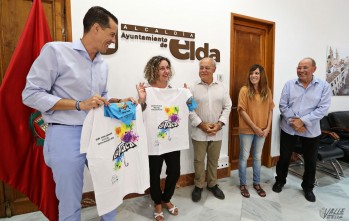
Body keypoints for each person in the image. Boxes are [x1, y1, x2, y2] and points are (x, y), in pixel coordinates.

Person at [22, 6, 135, 220]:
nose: (113, 40)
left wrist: (116, 102)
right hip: (65, 135)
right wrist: (78, 104)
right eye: (112, 34)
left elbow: (99, 100)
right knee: (70, 200)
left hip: (98, 134)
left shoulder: (103, 65)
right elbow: (30, 95)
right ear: (95, 28)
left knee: (110, 186)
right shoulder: (55, 51)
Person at [137, 56, 194, 221]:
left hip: (172, 140)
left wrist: (188, 95)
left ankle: (166, 198)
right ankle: (157, 202)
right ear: (153, 70)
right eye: (161, 68)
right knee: (154, 174)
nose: (166, 71)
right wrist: (141, 100)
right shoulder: (146, 91)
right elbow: (136, 116)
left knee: (175, 171)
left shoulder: (176, 92)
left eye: (167, 67)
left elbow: (192, 108)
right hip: (153, 142)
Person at [272, 57, 331, 202]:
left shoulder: (324, 86)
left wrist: (302, 121)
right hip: (289, 128)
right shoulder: (289, 84)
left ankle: (308, 188)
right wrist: (294, 122)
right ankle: (280, 181)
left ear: (313, 69)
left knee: (310, 162)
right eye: (299, 67)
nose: (301, 70)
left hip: (311, 131)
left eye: (305, 67)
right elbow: (283, 106)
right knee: (284, 157)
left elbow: (322, 109)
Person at [190, 57, 232, 202]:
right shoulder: (193, 87)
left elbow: (227, 107)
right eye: (201, 67)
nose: (203, 70)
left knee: (213, 160)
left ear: (214, 69)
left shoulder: (222, 87)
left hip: (217, 131)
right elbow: (190, 109)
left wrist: (219, 124)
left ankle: (212, 184)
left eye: (207, 67)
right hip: (199, 131)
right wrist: (201, 125)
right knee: (199, 160)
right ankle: (199, 185)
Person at [237, 64, 274, 198]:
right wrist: (255, 128)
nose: (254, 75)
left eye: (257, 73)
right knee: (244, 157)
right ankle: (243, 184)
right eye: (252, 73)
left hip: (263, 130)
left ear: (261, 75)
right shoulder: (244, 90)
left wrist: (268, 127)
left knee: (257, 157)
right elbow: (242, 111)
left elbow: (270, 110)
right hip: (248, 130)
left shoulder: (267, 91)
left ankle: (257, 183)